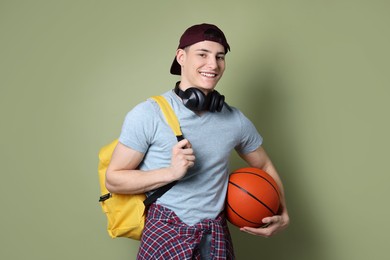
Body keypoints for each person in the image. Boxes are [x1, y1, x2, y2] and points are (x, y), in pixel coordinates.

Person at [106, 23, 289, 259]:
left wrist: (282, 210)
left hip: (215, 235)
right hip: (165, 231)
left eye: (219, 57)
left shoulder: (235, 120)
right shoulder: (148, 114)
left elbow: (263, 166)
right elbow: (114, 178)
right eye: (203, 54)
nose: (213, 64)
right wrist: (170, 172)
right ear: (181, 57)